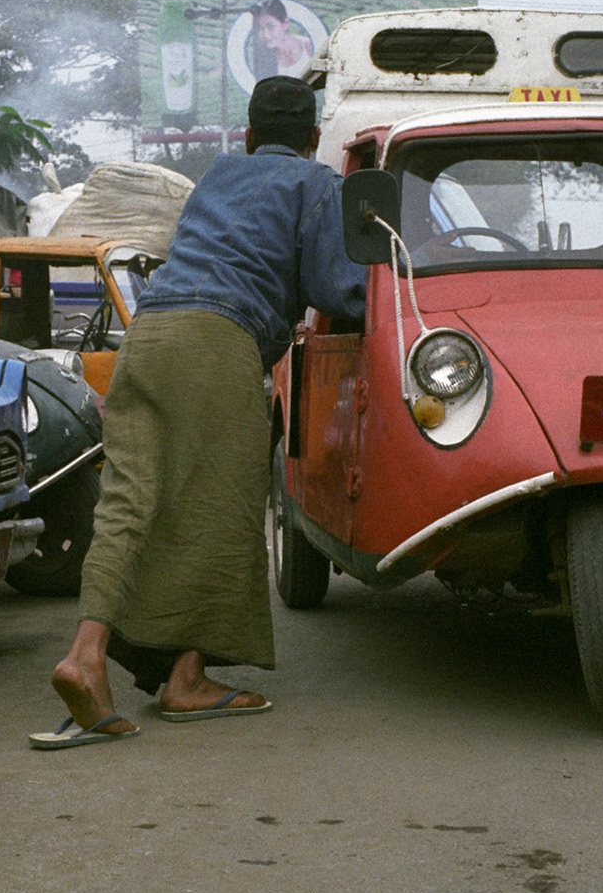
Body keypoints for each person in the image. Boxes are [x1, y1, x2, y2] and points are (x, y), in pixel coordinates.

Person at [31, 75, 367, 748]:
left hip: (148, 335)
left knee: (128, 502)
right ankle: (187, 681)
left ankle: (86, 655)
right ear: (312, 138)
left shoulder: (217, 174)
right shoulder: (316, 184)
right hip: (217, 344)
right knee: (221, 506)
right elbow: (335, 287)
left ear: (246, 135)